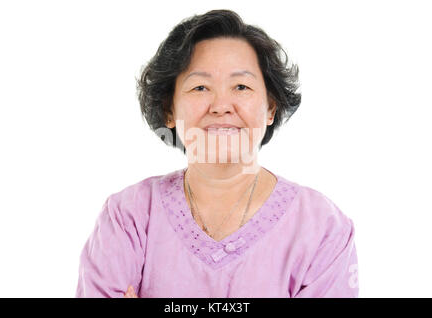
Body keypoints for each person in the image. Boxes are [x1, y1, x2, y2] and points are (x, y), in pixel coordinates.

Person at [75, 9, 359, 298]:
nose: (221, 105)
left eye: (241, 86)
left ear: (271, 107)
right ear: (169, 110)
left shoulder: (322, 228)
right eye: (200, 87)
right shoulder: (129, 217)